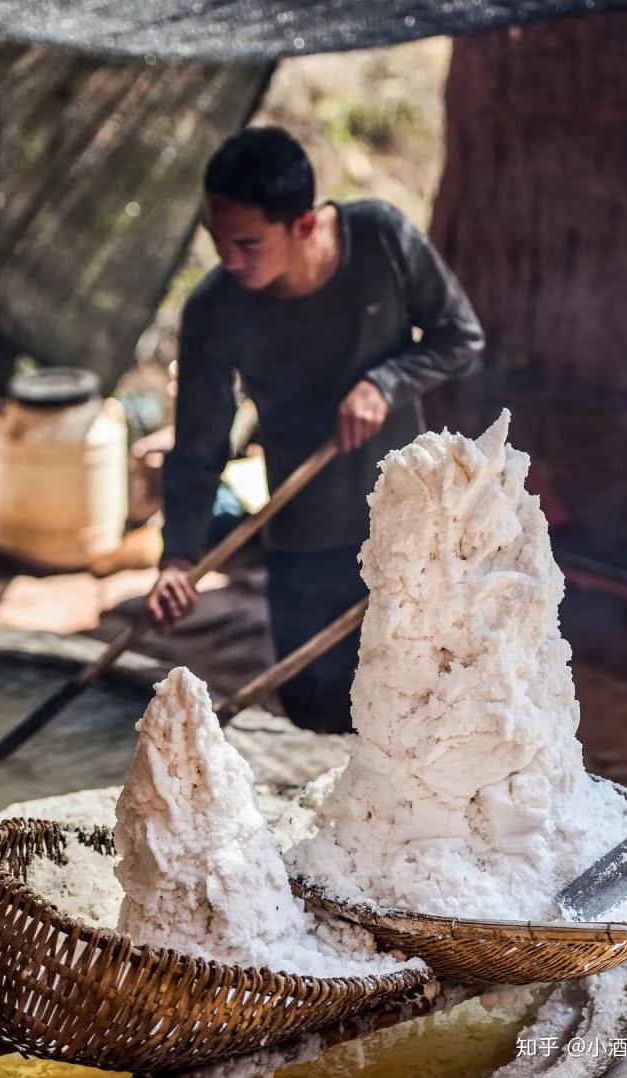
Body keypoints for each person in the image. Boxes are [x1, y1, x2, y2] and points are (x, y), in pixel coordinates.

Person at [146, 126, 484, 732]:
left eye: (247, 243)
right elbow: (198, 443)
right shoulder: (215, 308)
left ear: (303, 224)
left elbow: (459, 336)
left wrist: (386, 383)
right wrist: (178, 556)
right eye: (216, 239)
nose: (228, 259)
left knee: (418, 705)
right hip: (301, 532)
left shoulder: (380, 237)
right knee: (315, 710)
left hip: (405, 522)